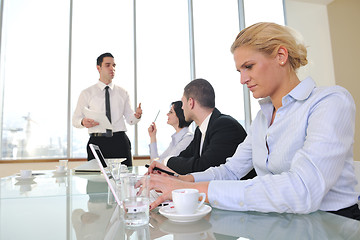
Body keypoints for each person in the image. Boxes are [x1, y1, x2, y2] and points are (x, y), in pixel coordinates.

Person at [147, 22, 360, 220]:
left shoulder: (330, 102)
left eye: (249, 66)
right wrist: (183, 181)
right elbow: (230, 171)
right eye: (239, 70)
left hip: (334, 223)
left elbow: (302, 189)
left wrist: (195, 190)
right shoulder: (262, 119)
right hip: (282, 222)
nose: (242, 79)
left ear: (281, 56)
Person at [163, 78, 256, 178]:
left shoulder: (225, 125)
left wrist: (166, 161)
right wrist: (163, 167)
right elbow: (183, 157)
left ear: (191, 102)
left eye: (183, 103)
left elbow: (203, 167)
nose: (182, 108)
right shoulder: (200, 130)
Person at [72, 52, 142, 166]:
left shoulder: (123, 92)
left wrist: (136, 116)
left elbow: (130, 119)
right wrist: (83, 122)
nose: (112, 68)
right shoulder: (86, 93)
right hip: (97, 143)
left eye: (114, 65)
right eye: (108, 65)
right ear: (98, 68)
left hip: (120, 141)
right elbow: (75, 120)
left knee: (123, 180)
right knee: (96, 181)